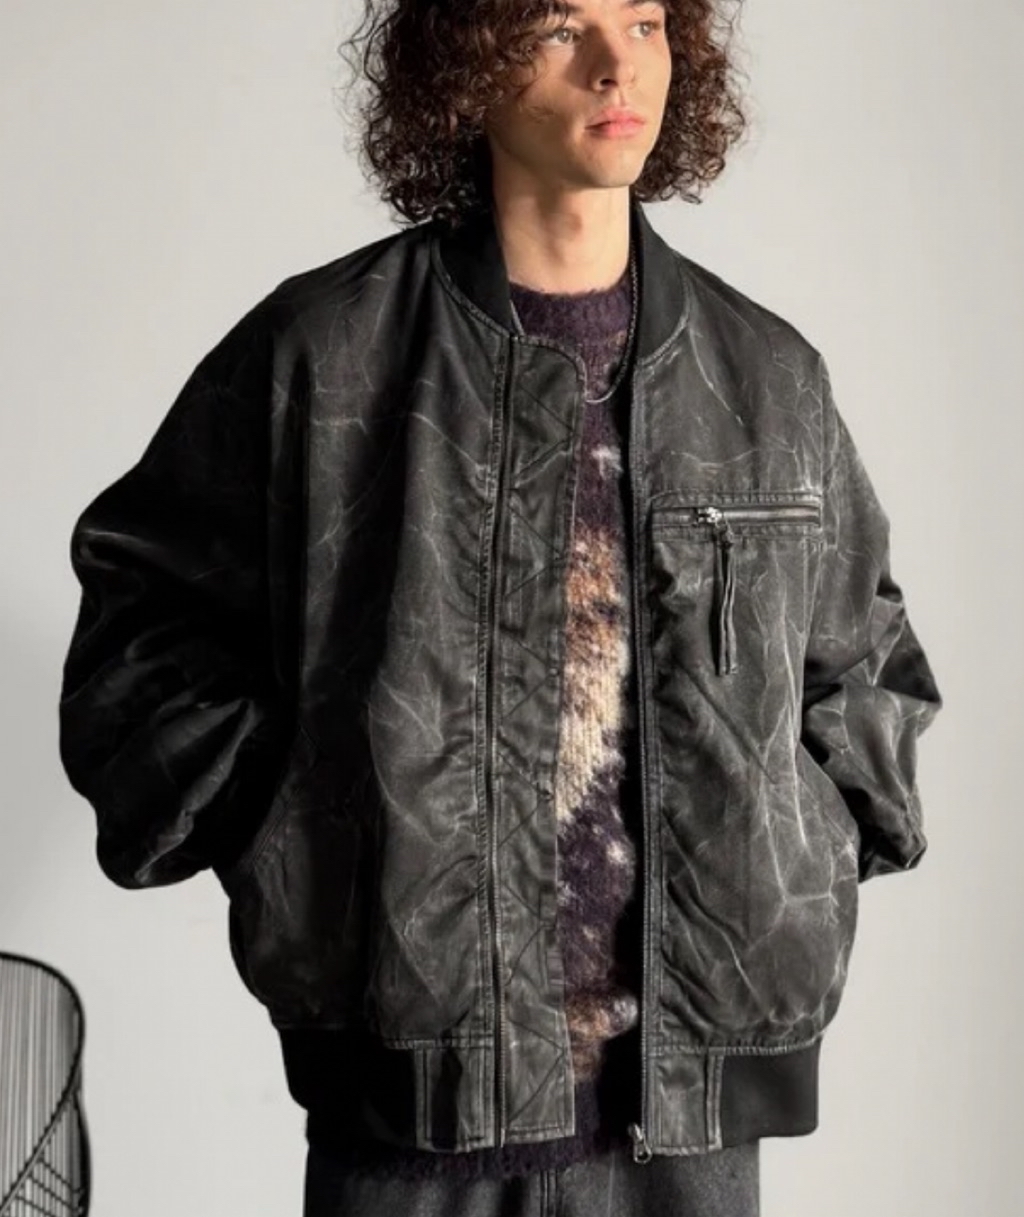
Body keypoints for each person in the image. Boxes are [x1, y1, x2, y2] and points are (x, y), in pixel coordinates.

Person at [57, 0, 943, 1214]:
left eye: (644, 20)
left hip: (686, 1129)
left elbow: (866, 667)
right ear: (465, 61)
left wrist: (807, 851)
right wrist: (304, 820)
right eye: (557, 24)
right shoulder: (327, 354)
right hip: (405, 1121)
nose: (616, 64)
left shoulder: (767, 377)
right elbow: (141, 623)